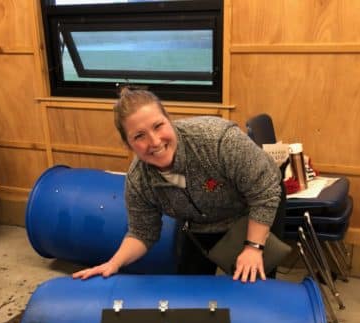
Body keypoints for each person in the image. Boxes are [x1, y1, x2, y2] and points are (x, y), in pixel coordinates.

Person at [73, 88, 282, 283]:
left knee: (254, 280)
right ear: (129, 145)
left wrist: (254, 248)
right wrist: (113, 263)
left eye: (158, 126)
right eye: (139, 136)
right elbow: (142, 232)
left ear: (169, 120)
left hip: (255, 207)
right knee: (191, 286)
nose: (154, 142)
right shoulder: (138, 180)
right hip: (199, 224)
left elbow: (265, 191)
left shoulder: (216, 140)